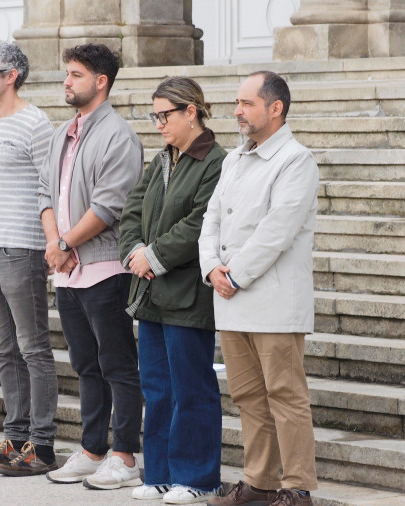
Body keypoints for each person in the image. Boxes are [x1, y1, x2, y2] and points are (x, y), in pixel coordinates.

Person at [201, 71, 319, 506]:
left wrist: (233, 275)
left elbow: (277, 230)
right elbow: (210, 219)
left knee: (285, 397)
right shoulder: (233, 159)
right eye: (237, 102)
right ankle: (259, 481)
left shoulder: (296, 160)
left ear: (275, 108)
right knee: (248, 396)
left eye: (247, 103)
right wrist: (212, 266)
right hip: (232, 299)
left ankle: (298, 487)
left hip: (271, 300)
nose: (237, 111)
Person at [38, 44, 144, 489]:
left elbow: (109, 206)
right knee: (85, 364)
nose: (67, 81)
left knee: (117, 364)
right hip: (66, 269)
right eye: (67, 73)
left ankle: (124, 455)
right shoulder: (63, 132)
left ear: (101, 82)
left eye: (76, 74)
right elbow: (44, 194)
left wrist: (63, 242)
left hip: (104, 269)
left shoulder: (118, 135)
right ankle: (92, 448)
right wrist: (53, 245)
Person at [119, 77, 225, 503]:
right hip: (150, 294)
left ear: (191, 112)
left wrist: (155, 256)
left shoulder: (215, 161)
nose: (159, 123)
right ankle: (160, 474)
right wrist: (134, 252)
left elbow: (199, 223)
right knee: (158, 388)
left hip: (187, 295)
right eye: (155, 115)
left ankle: (198, 479)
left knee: (190, 389)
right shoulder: (162, 159)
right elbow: (131, 210)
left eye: (165, 115)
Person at [0, 40, 59, 477]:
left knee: (33, 348)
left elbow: (51, 188)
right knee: (5, 349)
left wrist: (52, 242)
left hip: (22, 248)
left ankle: (42, 445)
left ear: (12, 76)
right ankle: (16, 435)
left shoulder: (36, 124)